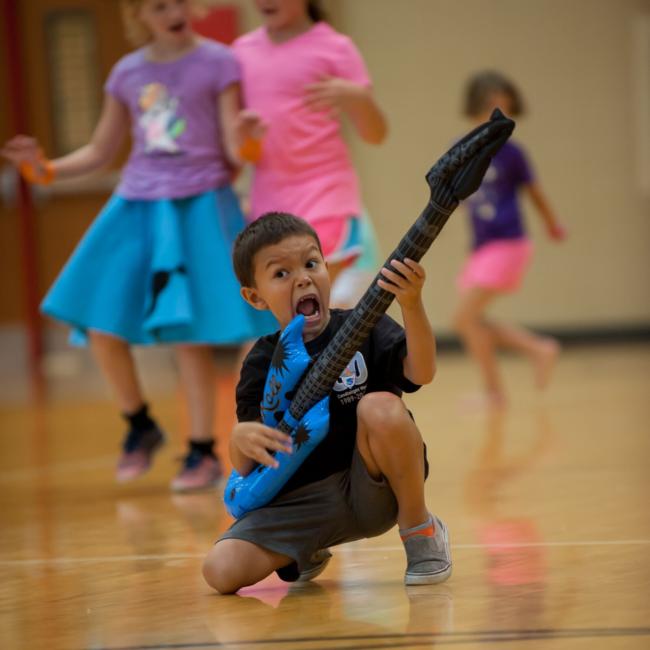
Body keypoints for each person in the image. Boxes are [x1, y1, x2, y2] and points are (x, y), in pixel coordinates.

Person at [1, 0, 275, 490]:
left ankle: (200, 451)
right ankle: (140, 424)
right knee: (98, 319)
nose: (173, 11)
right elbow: (101, 149)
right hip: (138, 203)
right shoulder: (127, 72)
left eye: (178, 2)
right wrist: (44, 170)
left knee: (188, 335)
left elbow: (236, 151)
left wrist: (251, 143)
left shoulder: (217, 61)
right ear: (138, 15)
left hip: (198, 202)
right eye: (158, 5)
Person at [202, 212, 452, 594]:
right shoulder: (259, 362)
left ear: (326, 267)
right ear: (255, 296)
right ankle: (306, 549)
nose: (302, 277)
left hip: (372, 491)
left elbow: (421, 372)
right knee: (219, 572)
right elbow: (249, 463)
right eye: (281, 273)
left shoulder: (363, 325)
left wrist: (412, 304)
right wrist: (239, 440)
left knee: (380, 407)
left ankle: (421, 531)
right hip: (299, 505)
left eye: (311, 263)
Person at [231, 0, 388, 290]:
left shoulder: (335, 47)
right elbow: (242, 152)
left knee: (314, 294)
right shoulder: (240, 52)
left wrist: (360, 98)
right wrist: (247, 140)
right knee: (284, 304)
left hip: (326, 193)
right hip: (269, 201)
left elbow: (375, 135)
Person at [453, 72, 567, 409]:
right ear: (476, 104)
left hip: (509, 242)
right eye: (491, 102)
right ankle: (538, 350)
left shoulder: (513, 152)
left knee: (464, 317)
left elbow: (535, 192)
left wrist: (553, 224)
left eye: (505, 103)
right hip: (482, 247)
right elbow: (453, 195)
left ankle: (495, 392)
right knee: (468, 320)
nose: (498, 109)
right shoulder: (462, 146)